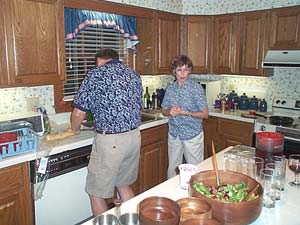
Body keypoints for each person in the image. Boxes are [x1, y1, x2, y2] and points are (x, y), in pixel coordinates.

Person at [67, 49, 143, 216]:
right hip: (134, 137)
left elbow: (79, 113)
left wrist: (74, 129)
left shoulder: (96, 74)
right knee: (123, 185)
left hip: (112, 142)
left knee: (96, 192)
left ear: (101, 60)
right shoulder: (133, 74)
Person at [161, 55, 209, 179]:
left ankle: (195, 195)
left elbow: (205, 114)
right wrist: (169, 112)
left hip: (191, 134)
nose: (182, 73)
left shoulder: (196, 88)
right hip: (174, 133)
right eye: (179, 70)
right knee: (173, 168)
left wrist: (185, 113)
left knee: (195, 169)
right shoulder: (170, 89)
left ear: (190, 71)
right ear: (174, 71)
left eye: (186, 70)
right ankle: (172, 195)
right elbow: (164, 110)